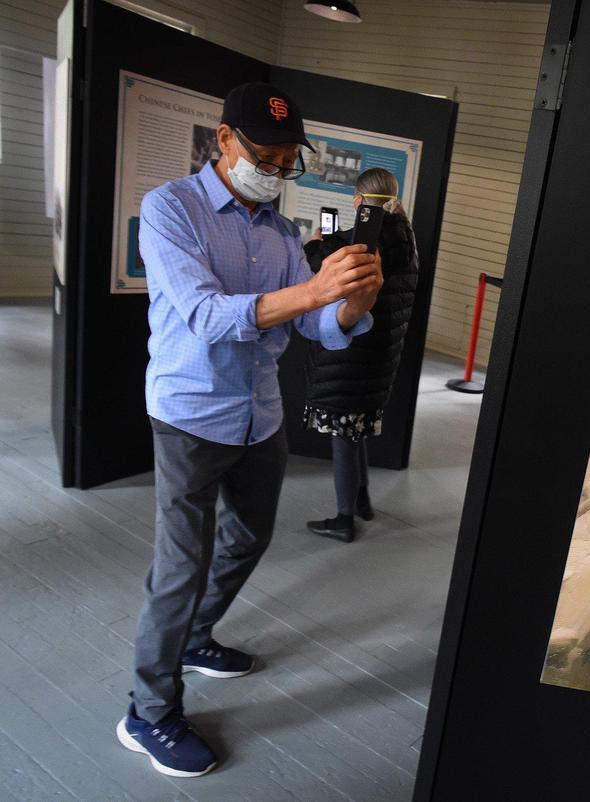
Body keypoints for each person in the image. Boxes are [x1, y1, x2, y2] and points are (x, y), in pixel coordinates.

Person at [116, 82, 382, 778]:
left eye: (289, 161)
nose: (275, 170)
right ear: (225, 140)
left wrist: (350, 306)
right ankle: (147, 711)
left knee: (250, 537)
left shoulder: (279, 230)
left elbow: (311, 326)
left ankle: (198, 638)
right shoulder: (169, 209)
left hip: (258, 417)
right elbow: (206, 316)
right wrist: (314, 291)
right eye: (265, 155)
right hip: (189, 416)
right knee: (180, 566)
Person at [303, 169, 420, 542]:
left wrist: (315, 243)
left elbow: (324, 262)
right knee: (356, 432)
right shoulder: (406, 235)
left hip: (354, 353)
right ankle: (363, 502)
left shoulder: (366, 238)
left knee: (343, 435)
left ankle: (343, 519)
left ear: (358, 200)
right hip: (382, 353)